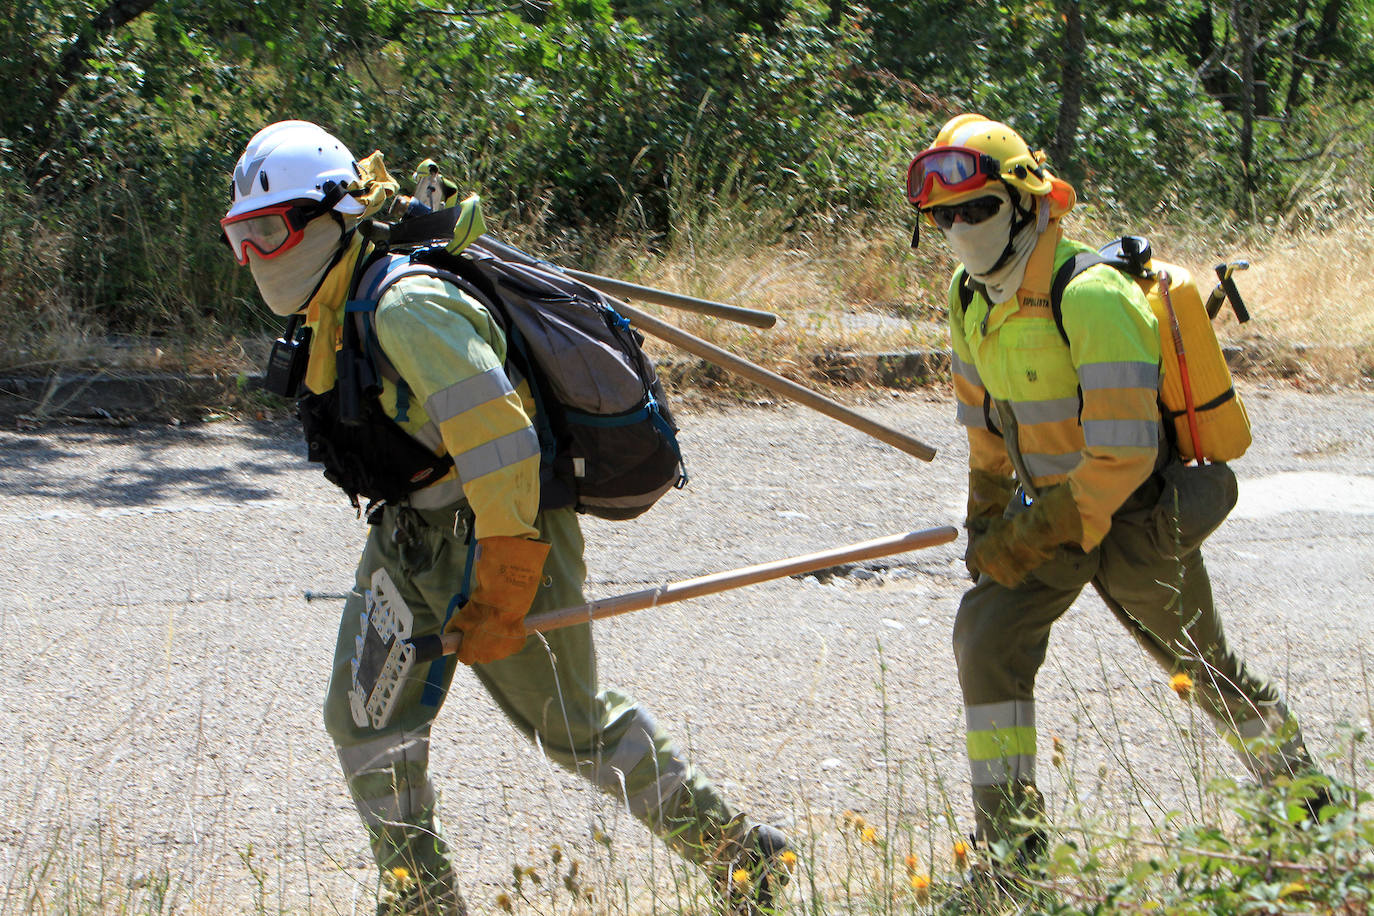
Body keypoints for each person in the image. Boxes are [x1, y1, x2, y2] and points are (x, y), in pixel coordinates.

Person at [221, 120, 789, 915]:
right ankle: (420, 902)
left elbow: (504, 447)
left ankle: (742, 858)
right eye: (239, 237)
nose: (253, 256)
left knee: (576, 728)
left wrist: (507, 577)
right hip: (409, 538)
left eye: (269, 231)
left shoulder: (406, 306)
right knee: (363, 722)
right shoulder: (331, 301)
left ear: (334, 217)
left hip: (501, 534)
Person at [905, 114, 1328, 859]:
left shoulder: (1093, 297)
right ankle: (1014, 847)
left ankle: (1311, 807)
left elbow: (1126, 455)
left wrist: (1028, 533)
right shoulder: (968, 297)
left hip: (1134, 518)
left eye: (979, 209)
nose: (961, 227)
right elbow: (983, 426)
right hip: (1051, 515)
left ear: (1029, 203)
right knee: (985, 638)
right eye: (946, 215)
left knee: (1203, 668)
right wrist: (985, 523)